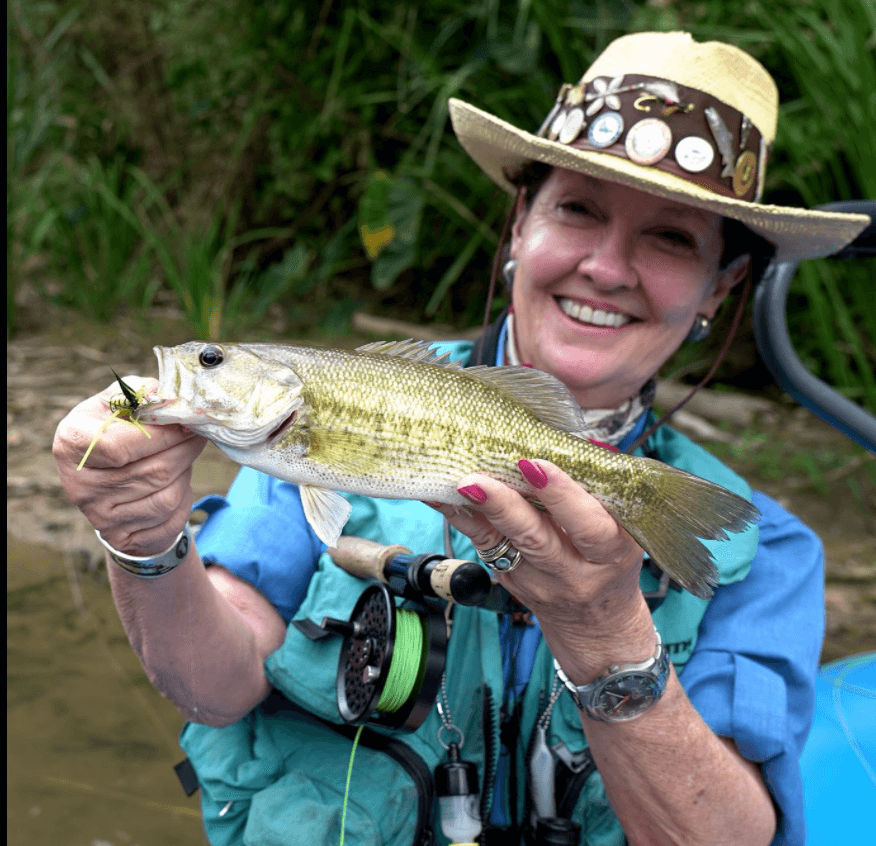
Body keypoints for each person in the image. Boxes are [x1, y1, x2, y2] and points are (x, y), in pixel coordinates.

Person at [53, 31, 868, 846]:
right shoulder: (284, 439)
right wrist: (144, 541)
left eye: (671, 238)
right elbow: (213, 690)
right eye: (578, 209)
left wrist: (609, 640)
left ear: (719, 291)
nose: (608, 268)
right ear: (520, 226)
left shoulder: (771, 554)